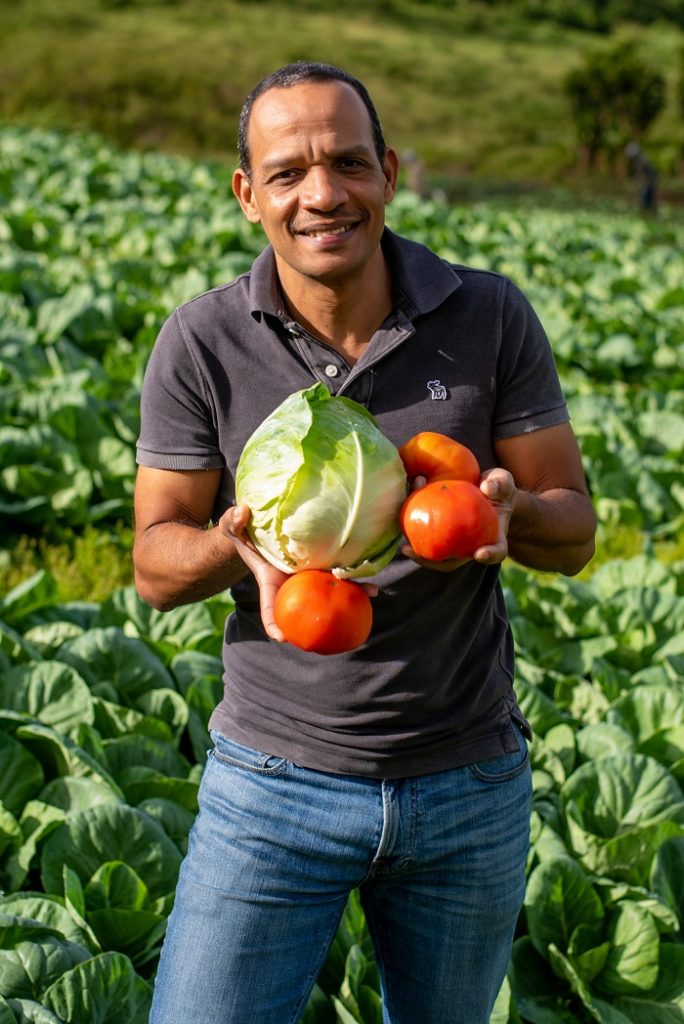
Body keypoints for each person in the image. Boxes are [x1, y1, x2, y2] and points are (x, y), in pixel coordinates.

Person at [133, 61, 596, 1024]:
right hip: (272, 786)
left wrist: (509, 516)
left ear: (388, 172)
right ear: (247, 194)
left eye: (348, 163)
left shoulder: (490, 313)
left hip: (468, 782)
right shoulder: (202, 340)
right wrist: (235, 547)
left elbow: (576, 528)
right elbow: (152, 563)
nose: (323, 194)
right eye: (290, 172)